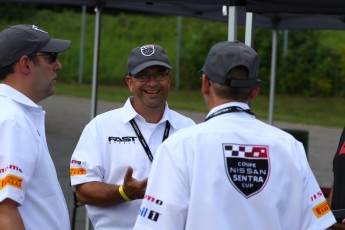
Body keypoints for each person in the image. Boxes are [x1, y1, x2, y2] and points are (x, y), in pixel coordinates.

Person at [133, 41, 336, 230]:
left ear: (205, 83)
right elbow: (318, 220)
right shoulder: (290, 147)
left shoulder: (179, 146)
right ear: (255, 90)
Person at [69, 44, 195, 229]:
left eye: (159, 74)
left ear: (169, 79)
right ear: (129, 82)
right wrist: (125, 193)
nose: (152, 83)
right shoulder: (101, 126)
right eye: (143, 76)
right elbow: (83, 190)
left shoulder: (188, 129)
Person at [0, 24, 71, 229]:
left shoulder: (11, 114)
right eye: (51, 57)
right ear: (26, 64)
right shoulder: (12, 121)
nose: (58, 65)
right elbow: (5, 211)